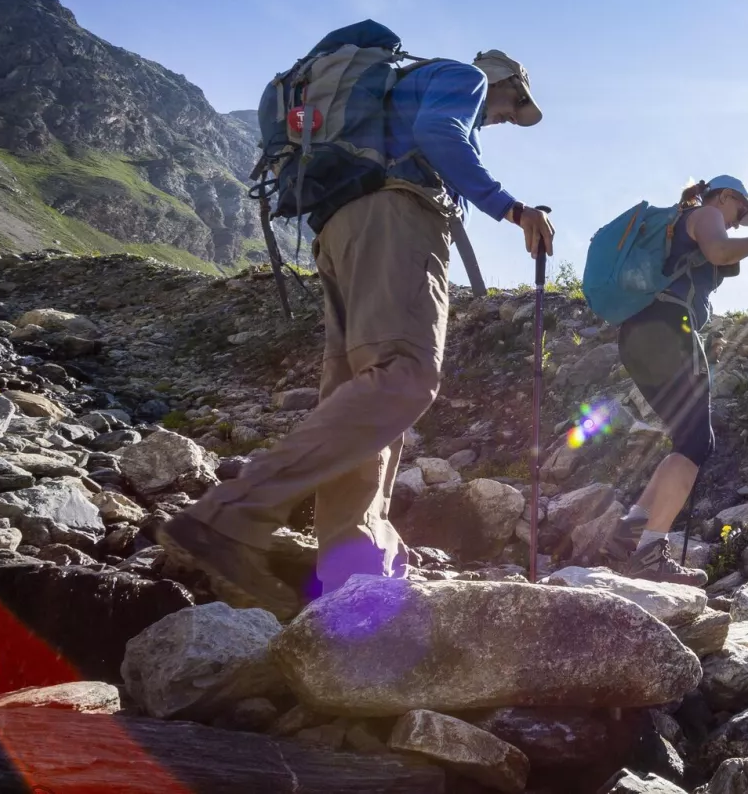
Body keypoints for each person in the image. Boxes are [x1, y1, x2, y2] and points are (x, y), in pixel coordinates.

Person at [159, 48, 556, 618]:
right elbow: (443, 132)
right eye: (509, 108)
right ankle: (230, 517)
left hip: (343, 230)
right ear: (504, 85)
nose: (498, 120)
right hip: (396, 221)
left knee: (362, 394)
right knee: (405, 374)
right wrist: (513, 210)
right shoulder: (463, 79)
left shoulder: (393, 92)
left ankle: (351, 565)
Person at [602, 176, 748, 585]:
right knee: (697, 443)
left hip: (640, 335)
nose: (738, 222)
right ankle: (651, 551)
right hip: (667, 331)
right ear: (725, 197)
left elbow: (724, 258)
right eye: (740, 211)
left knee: (686, 438)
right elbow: (721, 249)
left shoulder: (683, 224)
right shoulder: (703, 214)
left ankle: (627, 534)